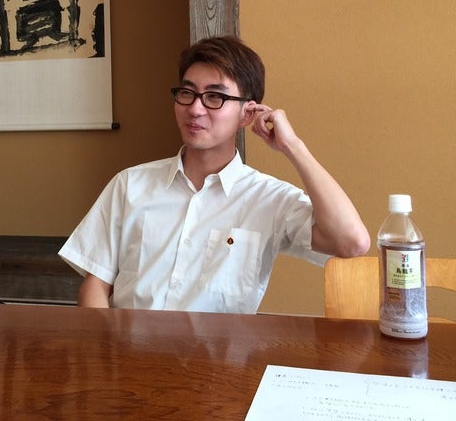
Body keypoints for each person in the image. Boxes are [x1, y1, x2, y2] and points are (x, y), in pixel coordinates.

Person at [58, 35, 369, 313]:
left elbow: (352, 242)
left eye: (214, 97)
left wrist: (293, 146)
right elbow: (95, 285)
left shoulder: (269, 199)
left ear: (248, 113)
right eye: (187, 93)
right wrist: (107, 351)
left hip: (219, 359)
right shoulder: (130, 184)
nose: (195, 109)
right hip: (128, 355)